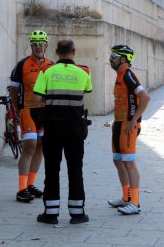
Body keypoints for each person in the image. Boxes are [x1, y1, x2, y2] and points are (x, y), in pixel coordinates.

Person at [33, 40, 92, 225]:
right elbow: (87, 90)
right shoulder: (83, 72)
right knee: (75, 170)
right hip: (75, 129)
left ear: (57, 52)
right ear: (73, 52)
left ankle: (50, 214)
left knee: (52, 170)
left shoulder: (47, 71)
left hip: (53, 128)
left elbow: (36, 97)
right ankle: (77, 213)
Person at [10, 30, 53, 203]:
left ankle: (30, 184)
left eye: (41, 43)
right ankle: (21, 189)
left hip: (45, 112)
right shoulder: (22, 65)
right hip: (27, 109)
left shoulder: (52, 65)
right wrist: (17, 109)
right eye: (34, 44)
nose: (38, 47)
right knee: (29, 147)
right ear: (31, 46)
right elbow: (13, 90)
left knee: (41, 147)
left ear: (46, 45)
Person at [107, 44, 150, 215]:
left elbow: (145, 98)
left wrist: (134, 121)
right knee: (118, 160)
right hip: (119, 123)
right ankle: (126, 197)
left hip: (127, 125)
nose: (110, 58)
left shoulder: (128, 75)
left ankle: (135, 203)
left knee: (129, 163)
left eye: (113, 55)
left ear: (123, 59)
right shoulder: (120, 75)